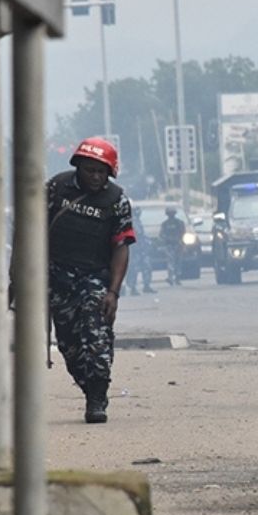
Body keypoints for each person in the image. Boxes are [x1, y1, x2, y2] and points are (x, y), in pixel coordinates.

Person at [40, 137, 135, 423]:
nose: (95, 176)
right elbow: (31, 229)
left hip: (95, 280)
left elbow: (121, 247)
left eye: (101, 171)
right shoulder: (56, 188)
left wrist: (113, 293)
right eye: (89, 170)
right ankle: (89, 386)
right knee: (70, 348)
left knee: (97, 341)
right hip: (58, 281)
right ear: (78, 167)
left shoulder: (116, 200)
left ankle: (97, 398)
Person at [125, 205, 157, 296]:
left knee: (147, 267)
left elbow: (142, 236)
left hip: (141, 249)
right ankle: (133, 288)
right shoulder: (132, 222)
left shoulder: (138, 221)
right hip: (135, 249)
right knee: (134, 269)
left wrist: (148, 243)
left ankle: (146, 285)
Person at [159, 207, 185, 286]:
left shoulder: (179, 223)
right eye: (170, 213)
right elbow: (161, 234)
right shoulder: (165, 224)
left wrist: (179, 240)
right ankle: (171, 278)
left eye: (172, 213)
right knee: (171, 261)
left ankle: (177, 278)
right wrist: (167, 239)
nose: (171, 215)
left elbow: (183, 232)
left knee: (177, 261)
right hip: (169, 245)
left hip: (177, 244)